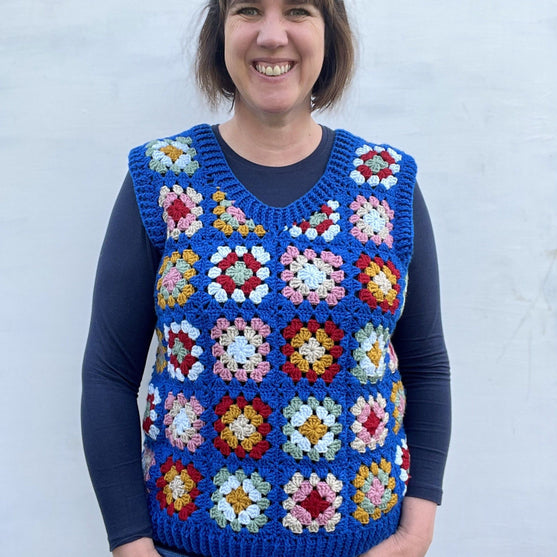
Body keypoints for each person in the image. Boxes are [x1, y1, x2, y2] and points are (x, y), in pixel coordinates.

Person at [82, 1, 451, 556]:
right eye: (249, 9)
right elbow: (108, 375)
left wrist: (416, 532)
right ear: (220, 32)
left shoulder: (384, 184)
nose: (272, 35)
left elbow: (426, 365)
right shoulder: (163, 179)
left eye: (298, 10)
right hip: (188, 545)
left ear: (329, 35)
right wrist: (129, 545)